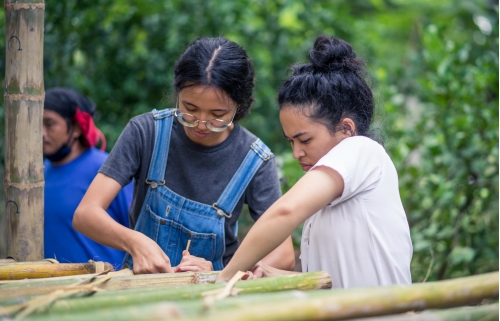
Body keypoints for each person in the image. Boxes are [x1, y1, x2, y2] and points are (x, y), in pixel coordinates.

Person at [74, 37, 295, 274]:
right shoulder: (147, 132)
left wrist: (222, 273)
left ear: (239, 107)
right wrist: (134, 242)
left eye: (217, 114)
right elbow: (86, 214)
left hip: (211, 298)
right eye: (189, 109)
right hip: (139, 292)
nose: (201, 124)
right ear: (177, 93)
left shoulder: (255, 160)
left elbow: (283, 254)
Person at [216, 36, 413, 288]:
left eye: (305, 140)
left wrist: (224, 277)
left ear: (346, 128)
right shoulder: (327, 201)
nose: (297, 153)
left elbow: (284, 211)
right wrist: (269, 272)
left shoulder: (361, 149)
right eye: (291, 142)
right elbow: (333, 282)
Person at [43, 88, 133, 269]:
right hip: (49, 290)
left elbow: (139, 229)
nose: (41, 133)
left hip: (102, 289)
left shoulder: (107, 170)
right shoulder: (38, 173)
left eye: (49, 124)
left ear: (75, 128)